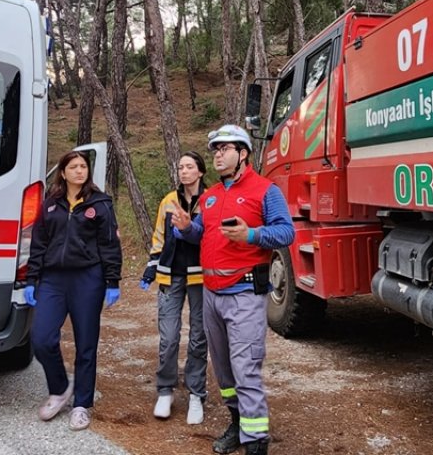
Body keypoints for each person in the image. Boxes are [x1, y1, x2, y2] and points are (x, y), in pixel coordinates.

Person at [170, 125, 294, 455]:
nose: (218, 154)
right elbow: (203, 234)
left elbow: (286, 233)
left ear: (242, 154)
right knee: (224, 371)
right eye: (215, 150)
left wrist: (251, 235)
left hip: (245, 294)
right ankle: (238, 424)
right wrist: (186, 229)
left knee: (245, 370)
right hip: (211, 295)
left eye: (225, 148)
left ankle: (256, 444)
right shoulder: (210, 196)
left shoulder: (265, 191)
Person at [24, 150, 123, 431]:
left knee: (86, 344)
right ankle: (59, 389)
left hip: (87, 279)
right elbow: (39, 243)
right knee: (41, 338)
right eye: (74, 167)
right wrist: (32, 279)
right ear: (63, 172)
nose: (80, 171)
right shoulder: (51, 204)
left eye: (83, 166)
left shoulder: (100, 203)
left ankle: (81, 404)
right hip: (53, 279)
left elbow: (109, 245)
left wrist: (112, 281)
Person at [140, 152, 209, 424]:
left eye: (189, 167)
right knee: (168, 337)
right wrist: (151, 268)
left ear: (200, 172)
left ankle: (195, 393)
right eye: (180, 167)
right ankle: (165, 390)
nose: (183, 171)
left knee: (198, 338)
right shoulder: (168, 201)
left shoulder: (210, 200)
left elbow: (212, 237)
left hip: (201, 278)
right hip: (171, 276)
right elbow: (158, 238)